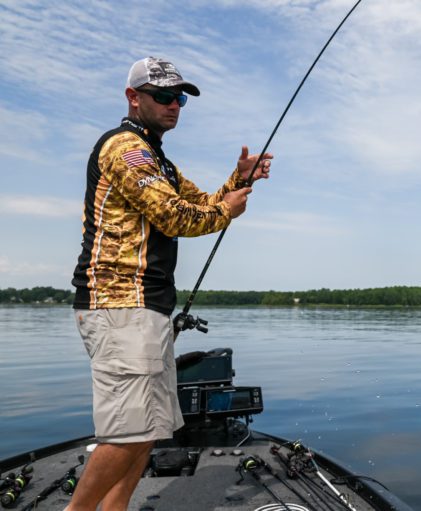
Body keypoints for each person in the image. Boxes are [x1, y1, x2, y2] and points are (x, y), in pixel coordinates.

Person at [68, 56, 273, 511]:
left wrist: (239, 180)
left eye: (179, 98)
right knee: (126, 433)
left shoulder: (158, 160)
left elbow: (203, 202)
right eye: (163, 96)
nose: (173, 105)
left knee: (148, 431)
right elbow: (176, 217)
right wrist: (226, 211)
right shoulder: (126, 149)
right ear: (133, 97)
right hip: (120, 305)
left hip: (149, 308)